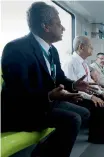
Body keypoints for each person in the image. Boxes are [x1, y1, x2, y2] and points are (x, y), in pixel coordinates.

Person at [1, 2, 95, 157]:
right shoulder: (16, 49)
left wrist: (73, 85)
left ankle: (42, 152)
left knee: (85, 112)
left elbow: (59, 78)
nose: (63, 28)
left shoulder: (52, 51)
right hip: (21, 110)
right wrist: (50, 96)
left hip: (44, 103)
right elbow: (18, 93)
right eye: (59, 24)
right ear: (46, 27)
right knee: (72, 119)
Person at [62, 36, 104, 144]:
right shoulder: (70, 63)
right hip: (75, 97)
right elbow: (72, 89)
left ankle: (101, 130)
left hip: (85, 94)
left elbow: (90, 83)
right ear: (81, 47)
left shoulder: (84, 63)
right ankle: (95, 136)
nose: (92, 49)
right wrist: (92, 97)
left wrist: (100, 93)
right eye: (90, 47)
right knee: (98, 104)